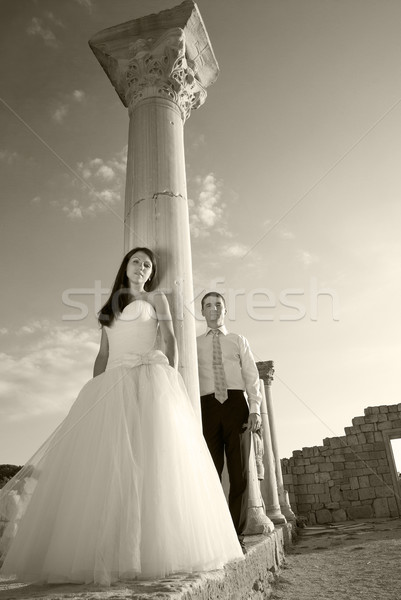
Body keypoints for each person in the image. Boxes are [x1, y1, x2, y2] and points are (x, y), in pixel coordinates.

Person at [0, 249, 243, 586]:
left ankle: (151, 551)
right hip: (111, 384)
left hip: (148, 378)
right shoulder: (109, 307)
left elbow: (170, 340)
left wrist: (169, 378)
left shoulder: (157, 299)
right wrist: (95, 388)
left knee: (148, 459)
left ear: (151, 272)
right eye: (136, 262)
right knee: (108, 465)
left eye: (147, 264)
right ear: (125, 267)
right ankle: (103, 552)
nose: (142, 267)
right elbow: (103, 354)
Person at [196, 292, 262, 535]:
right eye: (208, 305)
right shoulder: (194, 344)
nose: (213, 309)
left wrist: (255, 409)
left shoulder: (238, 340)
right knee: (210, 473)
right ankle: (214, 534)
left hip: (236, 405)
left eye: (218, 305)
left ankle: (236, 534)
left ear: (225, 310)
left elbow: (252, 376)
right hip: (206, 407)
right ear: (202, 312)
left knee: (240, 475)